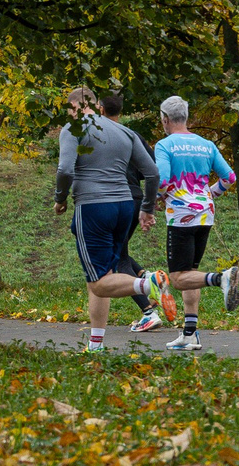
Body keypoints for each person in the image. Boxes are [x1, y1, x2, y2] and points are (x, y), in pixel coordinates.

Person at [54, 88, 166, 353]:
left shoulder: (74, 128)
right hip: (125, 207)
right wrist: (147, 208)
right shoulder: (124, 132)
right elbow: (152, 173)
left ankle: (149, 283)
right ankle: (96, 344)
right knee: (103, 274)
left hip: (93, 207)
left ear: (75, 106)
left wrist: (60, 198)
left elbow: (65, 169)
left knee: (98, 282)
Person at [151, 96, 239, 351]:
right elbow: (230, 177)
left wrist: (158, 198)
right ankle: (190, 334)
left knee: (179, 279)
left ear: (165, 119)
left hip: (181, 216)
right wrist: (209, 194)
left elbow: (162, 180)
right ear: (187, 117)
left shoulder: (164, 145)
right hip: (205, 214)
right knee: (191, 272)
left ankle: (221, 278)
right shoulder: (207, 145)